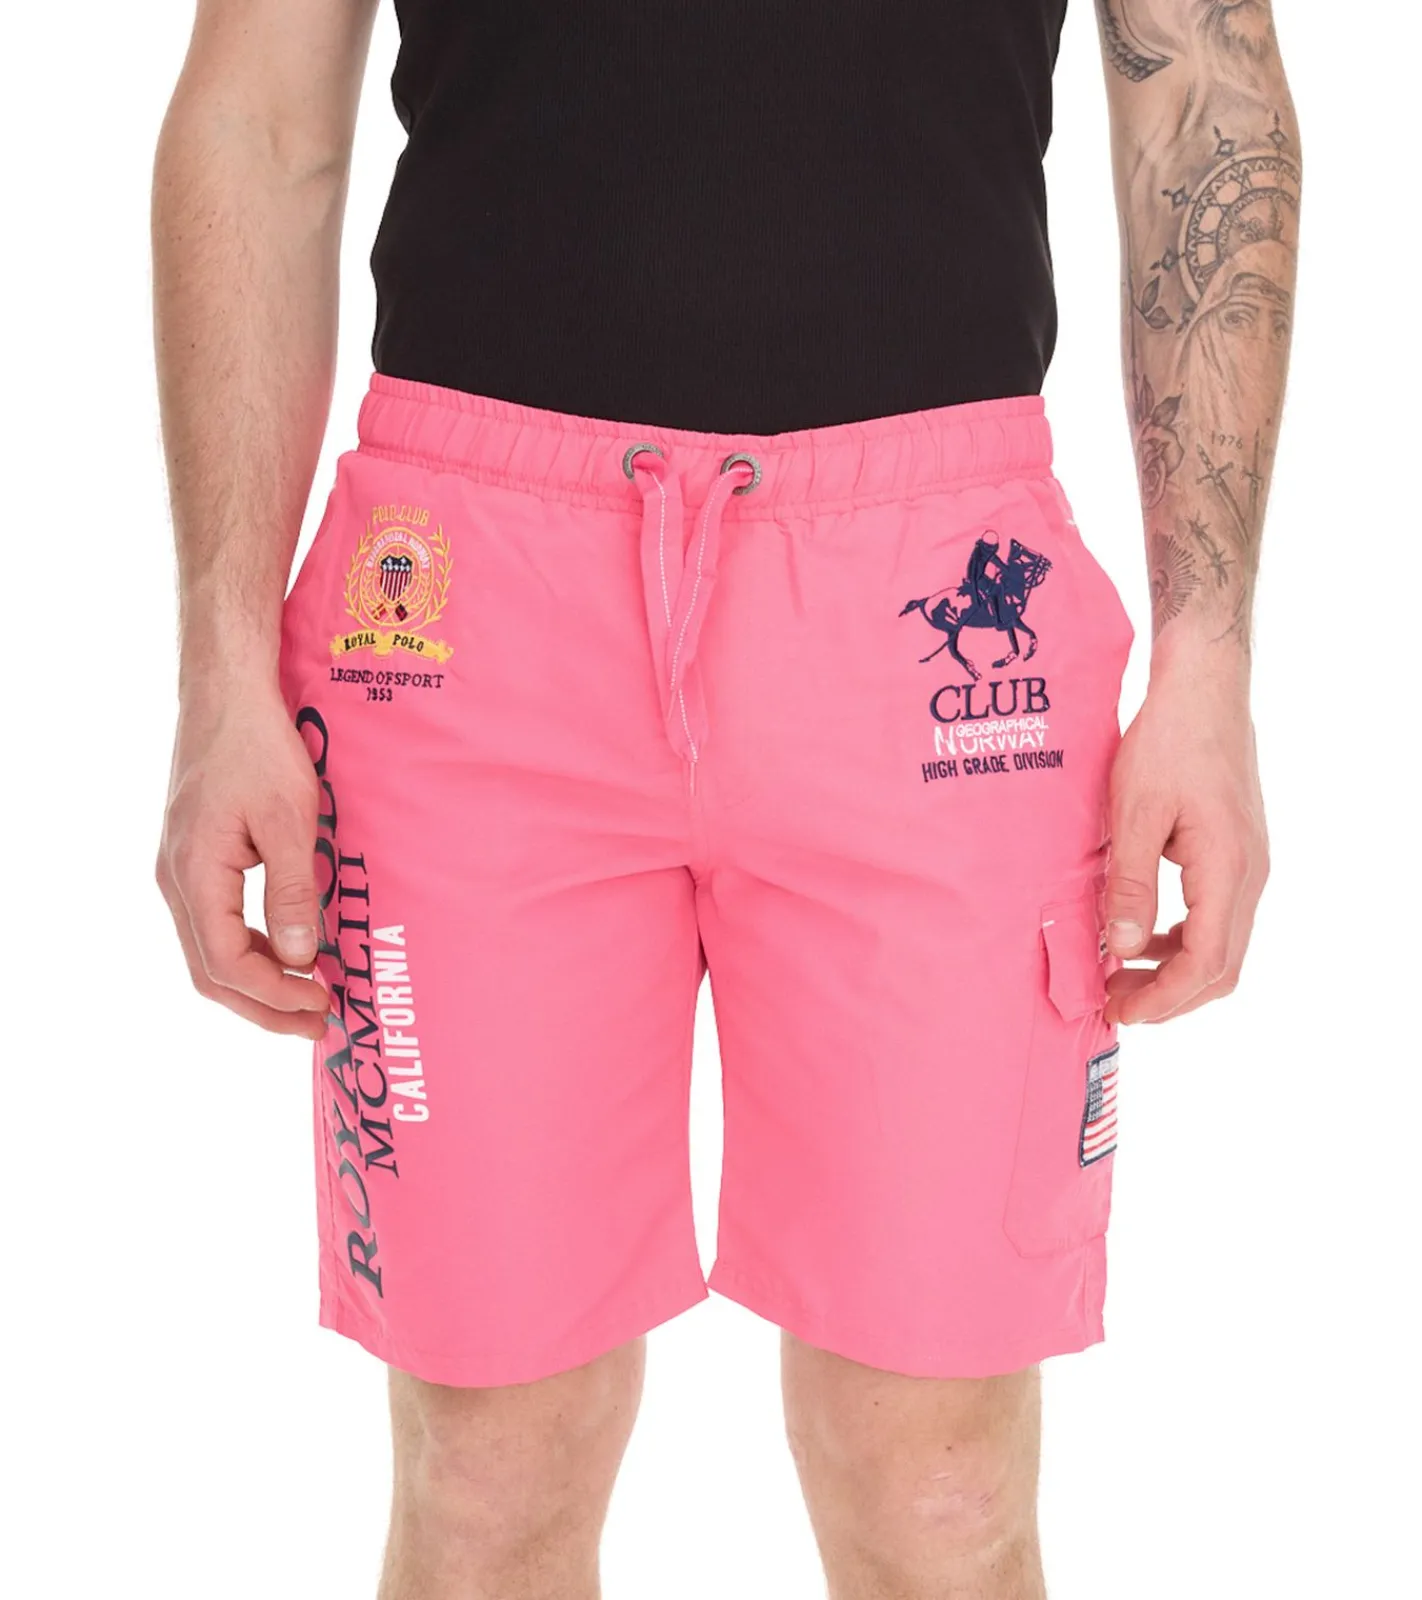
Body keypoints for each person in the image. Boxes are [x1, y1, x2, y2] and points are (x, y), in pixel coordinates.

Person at [153, 2, 1295, 1595]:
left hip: (933, 603)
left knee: (940, 1486)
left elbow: (1203, 100)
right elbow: (260, 118)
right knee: (487, 1469)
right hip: (468, 608)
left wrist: (1209, 654)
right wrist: (219, 659)